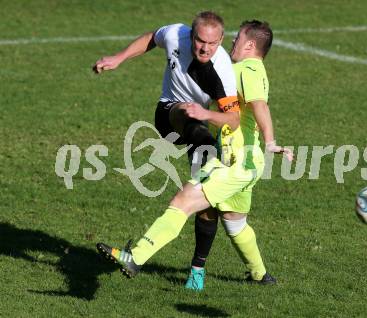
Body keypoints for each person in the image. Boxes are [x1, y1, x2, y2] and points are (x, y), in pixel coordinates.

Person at [96, 20, 294, 289]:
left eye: (236, 39)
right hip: (249, 162)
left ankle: (137, 256)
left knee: (183, 201)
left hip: (232, 162)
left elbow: (259, 105)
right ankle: (260, 274)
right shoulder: (256, 70)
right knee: (235, 224)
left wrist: (271, 141)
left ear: (249, 45)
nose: (231, 43)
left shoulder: (246, 70)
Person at [93, 11, 239, 168]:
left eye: (212, 43)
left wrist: (206, 114)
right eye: (200, 41)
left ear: (221, 39)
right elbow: (153, 37)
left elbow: (234, 120)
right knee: (186, 110)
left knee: (202, 174)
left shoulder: (223, 71)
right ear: (191, 35)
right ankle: (213, 153)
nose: (205, 49)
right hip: (168, 113)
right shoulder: (175, 35)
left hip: (199, 125)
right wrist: (119, 57)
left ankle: (205, 173)